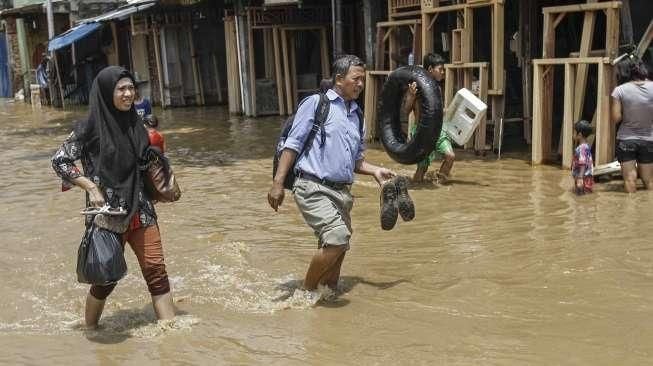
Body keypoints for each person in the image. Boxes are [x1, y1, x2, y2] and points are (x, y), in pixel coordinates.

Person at [51, 66, 175, 329]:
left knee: (156, 271)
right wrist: (90, 187)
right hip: (108, 214)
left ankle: (171, 330)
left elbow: (142, 164)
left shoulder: (136, 126)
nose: (129, 94)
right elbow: (60, 160)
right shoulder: (89, 130)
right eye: (122, 89)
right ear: (108, 92)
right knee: (106, 280)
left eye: (131, 88)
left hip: (141, 210)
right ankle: (91, 330)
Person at [268, 55, 395, 292]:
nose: (360, 84)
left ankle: (326, 299)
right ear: (339, 79)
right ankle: (306, 292)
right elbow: (293, 145)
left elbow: (356, 161)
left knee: (338, 256)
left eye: (363, 80)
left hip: (342, 193)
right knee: (337, 239)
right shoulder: (316, 104)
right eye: (355, 79)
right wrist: (277, 183)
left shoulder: (356, 115)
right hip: (312, 187)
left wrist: (376, 170)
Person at [403, 53, 454, 183]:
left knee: (450, 156)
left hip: (438, 130)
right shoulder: (416, 87)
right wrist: (411, 96)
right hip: (422, 132)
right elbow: (406, 111)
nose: (443, 73)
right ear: (430, 69)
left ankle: (439, 184)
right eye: (440, 69)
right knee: (422, 168)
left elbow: (437, 111)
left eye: (444, 70)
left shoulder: (437, 88)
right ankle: (418, 186)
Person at [611, 56, 653, 193]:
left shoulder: (620, 90)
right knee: (649, 180)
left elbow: (616, 118)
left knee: (630, 180)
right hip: (648, 140)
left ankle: (630, 211)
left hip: (626, 139)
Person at [571, 120, 594, 195]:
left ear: (579, 134)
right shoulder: (586, 146)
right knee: (586, 194)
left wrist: (580, 177)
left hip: (583, 177)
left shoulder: (581, 148)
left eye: (574, 132)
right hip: (587, 177)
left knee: (581, 196)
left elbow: (583, 163)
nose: (573, 134)